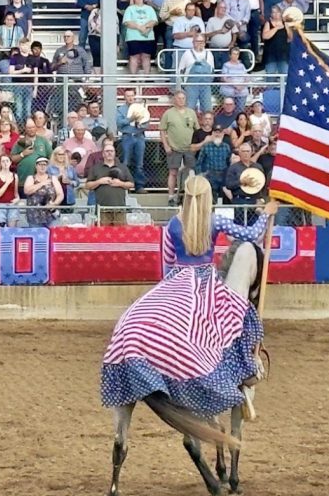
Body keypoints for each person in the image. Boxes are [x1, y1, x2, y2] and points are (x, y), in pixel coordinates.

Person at [101, 175, 274, 420]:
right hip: (205, 281)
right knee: (234, 319)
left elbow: (167, 264)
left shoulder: (173, 224)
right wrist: (266, 213)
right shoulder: (214, 221)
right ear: (207, 198)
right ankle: (244, 371)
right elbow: (251, 234)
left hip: (177, 280)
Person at [86, 141, 135, 225]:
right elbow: (87, 185)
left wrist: (120, 183)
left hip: (119, 208)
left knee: (120, 235)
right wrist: (99, 181)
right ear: (103, 154)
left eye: (111, 151)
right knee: (103, 235)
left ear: (115, 153)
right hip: (102, 209)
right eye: (107, 151)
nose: (109, 153)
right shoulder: (95, 168)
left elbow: (131, 184)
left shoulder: (122, 167)